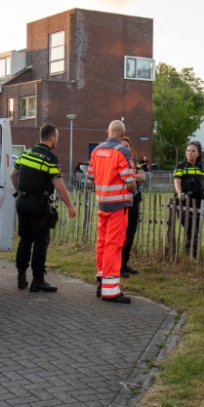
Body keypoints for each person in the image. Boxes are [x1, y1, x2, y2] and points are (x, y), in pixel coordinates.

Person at [9, 124, 77, 292]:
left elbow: (13, 175)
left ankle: (21, 277)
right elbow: (60, 186)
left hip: (22, 203)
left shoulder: (25, 154)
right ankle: (38, 280)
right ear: (52, 138)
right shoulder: (50, 159)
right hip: (38, 206)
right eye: (57, 138)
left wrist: (20, 191)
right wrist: (70, 206)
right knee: (40, 242)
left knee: (25, 240)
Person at [87, 120, 137, 303]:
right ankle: (111, 291)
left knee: (102, 242)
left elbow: (91, 178)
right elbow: (130, 181)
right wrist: (133, 189)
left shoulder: (96, 151)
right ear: (122, 135)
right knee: (114, 245)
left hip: (102, 204)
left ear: (108, 131)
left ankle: (101, 282)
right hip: (118, 205)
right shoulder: (122, 151)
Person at [173, 141, 204, 255]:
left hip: (198, 200)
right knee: (188, 226)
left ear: (198, 154)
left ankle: (192, 250)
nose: (190, 153)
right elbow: (177, 181)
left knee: (196, 227)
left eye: (193, 151)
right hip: (184, 200)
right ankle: (191, 249)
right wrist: (179, 193)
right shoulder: (181, 165)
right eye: (188, 151)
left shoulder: (201, 167)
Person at [120, 136, 147, 277]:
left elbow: (142, 176)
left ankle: (124, 264)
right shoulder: (117, 160)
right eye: (123, 145)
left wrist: (128, 176)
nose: (125, 148)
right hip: (122, 201)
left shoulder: (132, 161)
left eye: (127, 146)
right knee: (121, 235)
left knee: (130, 234)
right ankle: (118, 266)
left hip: (134, 200)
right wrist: (132, 176)